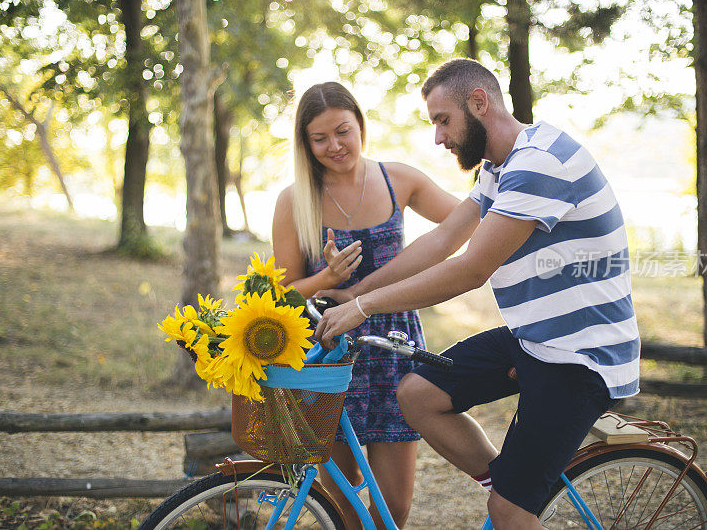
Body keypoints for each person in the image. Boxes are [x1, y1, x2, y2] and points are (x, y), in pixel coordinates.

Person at [315, 59, 640, 530]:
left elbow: (471, 268)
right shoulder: (498, 167)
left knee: (507, 512)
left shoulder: (539, 162)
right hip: (532, 339)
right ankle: (514, 487)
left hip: (579, 355)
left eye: (442, 120)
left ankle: (514, 504)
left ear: (479, 103)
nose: (438, 137)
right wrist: (356, 293)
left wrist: (365, 308)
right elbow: (443, 239)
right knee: (418, 394)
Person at [271, 81, 458, 528]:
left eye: (343, 131)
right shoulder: (293, 200)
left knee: (394, 507)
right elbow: (278, 295)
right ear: (305, 143)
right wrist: (326, 278)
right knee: (345, 506)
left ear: (360, 125)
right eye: (319, 138)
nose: (334, 146)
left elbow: (465, 221)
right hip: (328, 352)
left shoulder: (400, 180)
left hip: (393, 344)